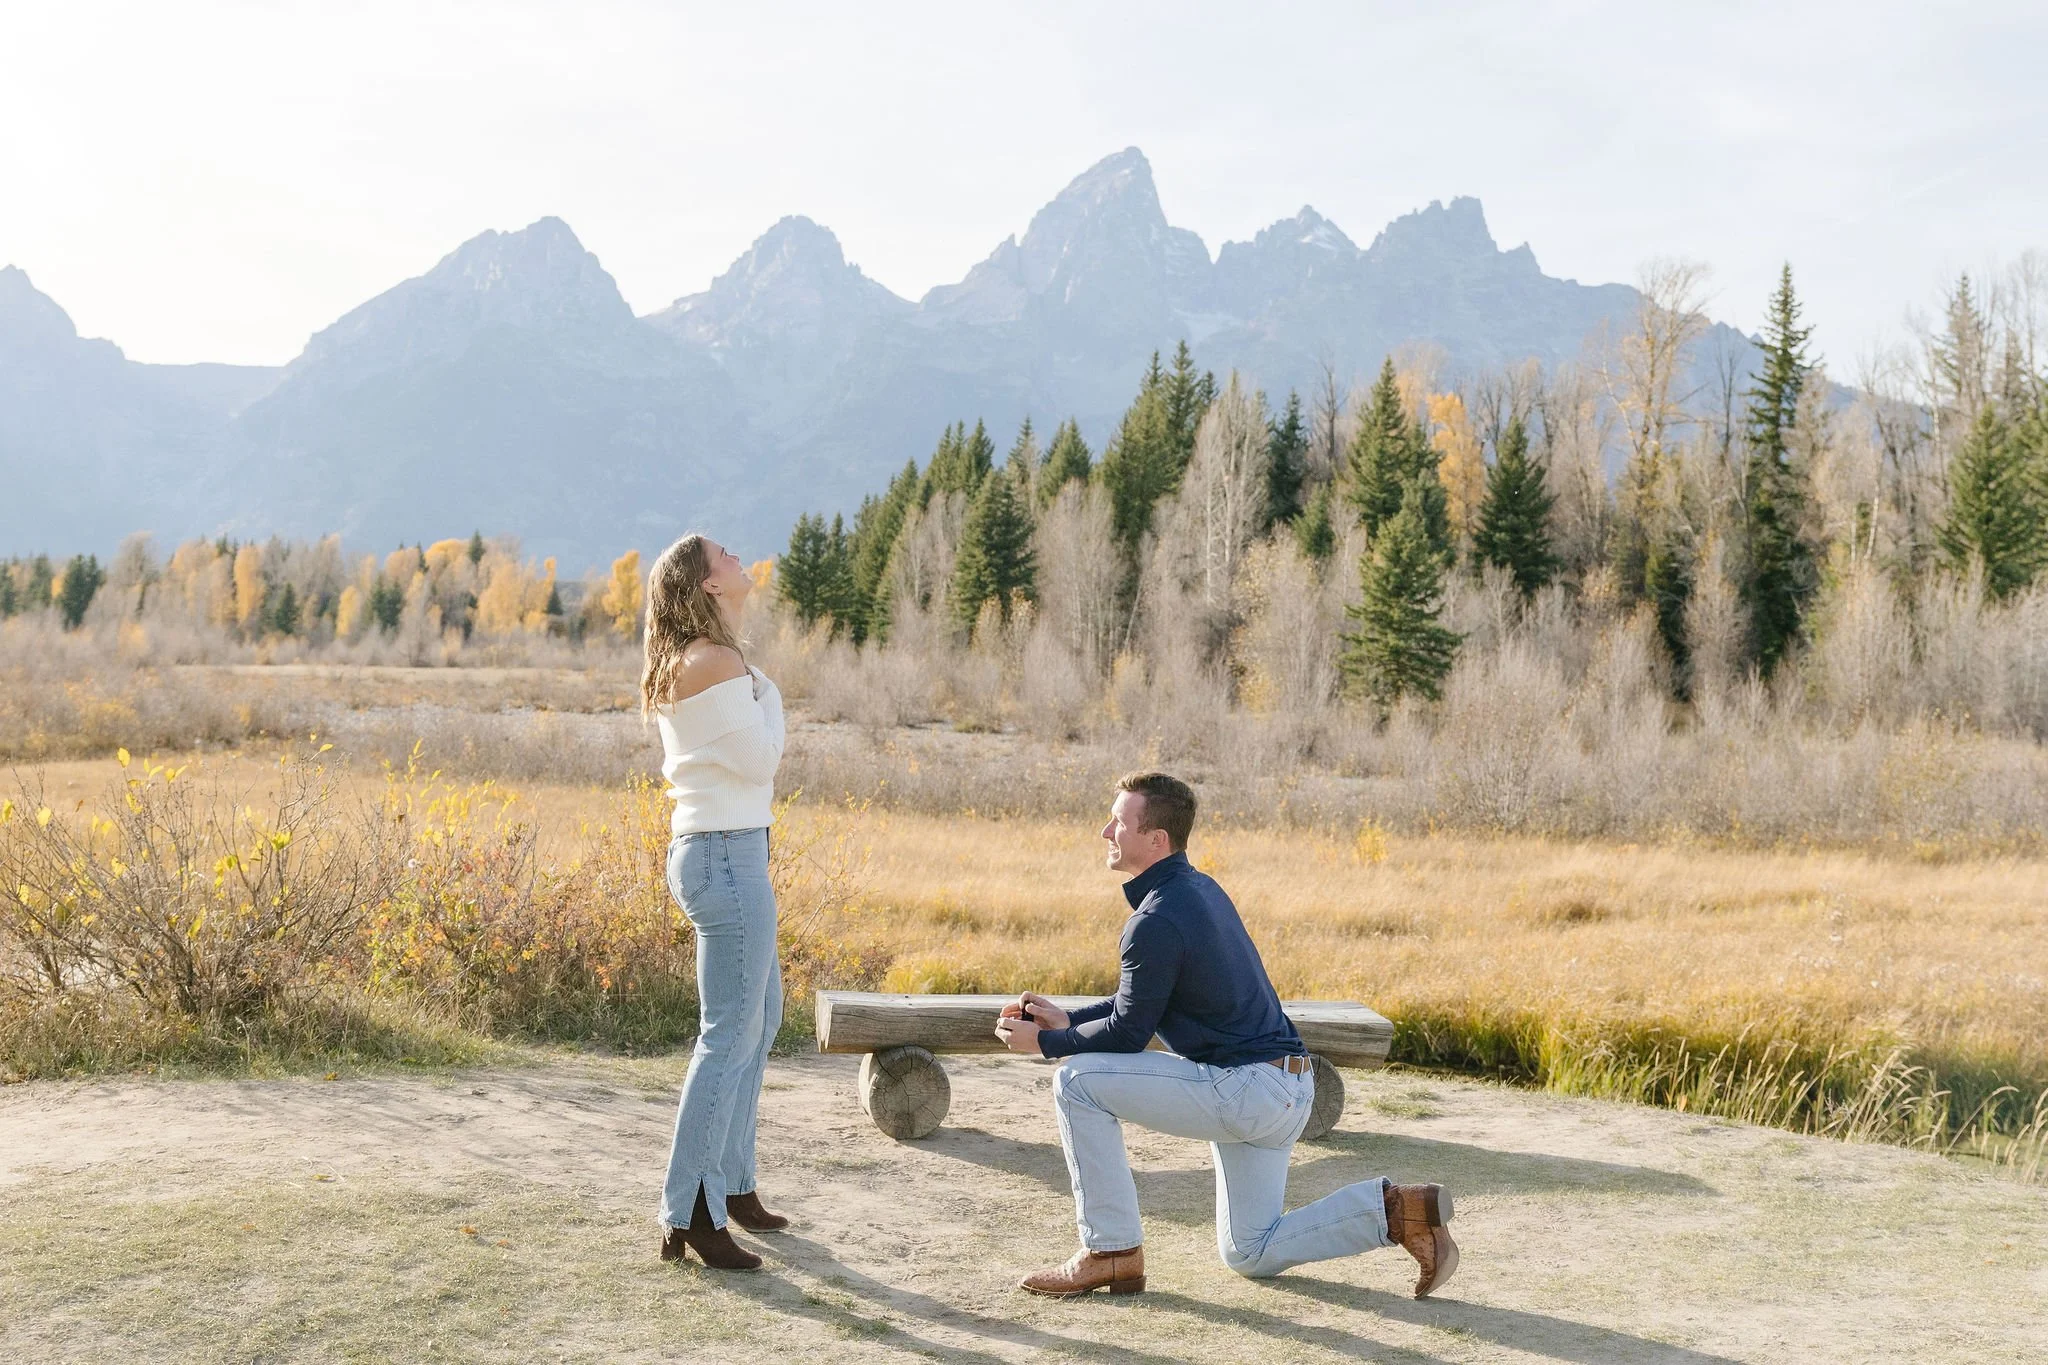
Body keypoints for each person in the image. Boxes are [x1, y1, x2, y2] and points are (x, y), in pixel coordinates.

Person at [995, 771, 1459, 1299]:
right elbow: (1137, 1004)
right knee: (1249, 1251)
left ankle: (1111, 1252)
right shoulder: (1197, 891)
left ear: (1155, 839)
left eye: (1119, 822)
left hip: (1247, 1089)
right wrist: (1069, 1020)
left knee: (1076, 1080)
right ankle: (1402, 1212)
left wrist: (1048, 1044)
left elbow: (1129, 1032)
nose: (1106, 831)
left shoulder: (1157, 919)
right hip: (1285, 1089)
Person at [645, 534, 789, 1272]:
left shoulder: (709, 657)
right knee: (729, 1033)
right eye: (726, 554)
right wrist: (773, 695)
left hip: (730, 848)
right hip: (727, 853)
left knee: (758, 1020)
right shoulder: (718, 662)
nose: (740, 557)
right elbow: (763, 758)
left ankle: (730, 1182)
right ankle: (691, 1209)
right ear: (706, 584)